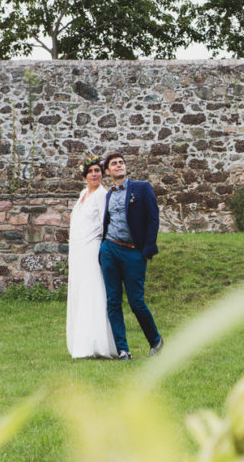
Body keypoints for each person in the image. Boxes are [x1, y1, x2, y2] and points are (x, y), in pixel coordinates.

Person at [99, 152, 163, 360]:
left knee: (136, 302)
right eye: (114, 164)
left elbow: (153, 219)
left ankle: (156, 341)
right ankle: (123, 350)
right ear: (107, 171)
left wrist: (146, 250)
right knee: (113, 301)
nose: (119, 165)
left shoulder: (141, 188)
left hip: (133, 251)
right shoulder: (108, 194)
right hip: (109, 249)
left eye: (121, 162)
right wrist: (103, 248)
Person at [66, 155, 117, 359]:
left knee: (93, 291)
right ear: (85, 175)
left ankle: (97, 343)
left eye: (97, 170)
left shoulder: (103, 195)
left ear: (102, 173)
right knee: (79, 290)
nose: (94, 174)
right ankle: (80, 341)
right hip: (78, 250)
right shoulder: (83, 194)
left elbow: (106, 224)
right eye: (90, 171)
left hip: (92, 247)